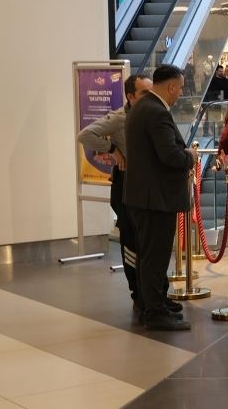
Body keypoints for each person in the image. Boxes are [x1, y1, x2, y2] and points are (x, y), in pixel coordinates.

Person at [123, 64, 198, 331]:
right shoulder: (156, 112)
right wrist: (190, 156)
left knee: (148, 255)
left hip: (145, 196)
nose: (180, 94)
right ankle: (155, 312)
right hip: (155, 199)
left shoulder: (140, 108)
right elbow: (170, 155)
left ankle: (152, 302)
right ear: (171, 87)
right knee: (155, 256)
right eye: (179, 88)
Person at [77, 74, 154, 313]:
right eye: (144, 93)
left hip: (146, 187)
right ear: (130, 96)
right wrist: (112, 149)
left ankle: (153, 293)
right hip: (125, 187)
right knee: (132, 241)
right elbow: (85, 134)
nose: (149, 97)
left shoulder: (152, 115)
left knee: (148, 242)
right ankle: (138, 294)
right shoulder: (121, 118)